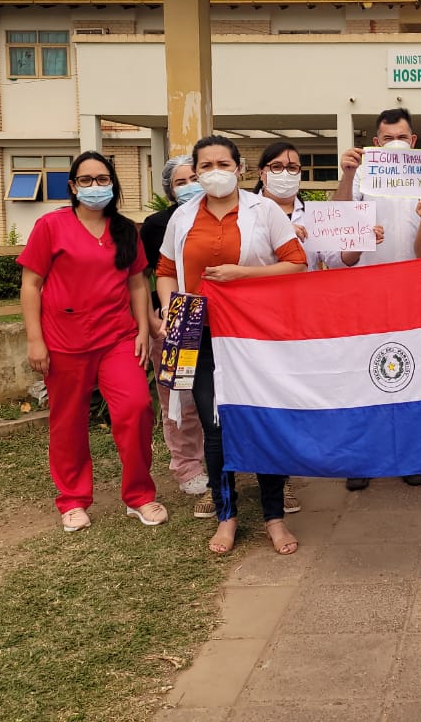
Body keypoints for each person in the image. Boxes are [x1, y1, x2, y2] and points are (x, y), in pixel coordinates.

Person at [156, 135, 308, 555]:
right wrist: (173, 309)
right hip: (199, 334)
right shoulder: (183, 217)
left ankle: (274, 518)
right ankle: (228, 516)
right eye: (205, 166)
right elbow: (166, 269)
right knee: (215, 426)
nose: (214, 172)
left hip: (253, 336)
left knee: (262, 420)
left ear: (240, 169)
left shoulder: (265, 212)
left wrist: (243, 275)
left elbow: (297, 264)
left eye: (223, 164)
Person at [18, 151, 168, 533]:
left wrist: (141, 330)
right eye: (85, 180)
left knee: (135, 409)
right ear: (72, 187)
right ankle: (72, 500)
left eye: (102, 179)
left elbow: (137, 283)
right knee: (67, 422)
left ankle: (139, 496)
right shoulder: (51, 226)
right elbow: (31, 285)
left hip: (116, 338)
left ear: (113, 184)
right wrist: (36, 340)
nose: (94, 187)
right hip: (64, 341)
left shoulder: (125, 230)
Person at [254, 140, 383, 512]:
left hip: (300, 320)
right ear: (261, 172)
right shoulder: (246, 214)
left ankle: (284, 476)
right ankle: (272, 479)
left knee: (292, 397)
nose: (285, 174)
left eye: (293, 168)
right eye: (276, 166)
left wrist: (360, 241)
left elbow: (340, 259)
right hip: (255, 319)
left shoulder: (314, 215)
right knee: (264, 398)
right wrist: (283, 241)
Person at [334, 107, 421, 490]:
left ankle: (409, 455)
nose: (394, 144)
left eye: (401, 137)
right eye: (387, 138)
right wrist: (348, 174)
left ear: (413, 141)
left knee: (408, 370)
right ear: (375, 143)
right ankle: (363, 457)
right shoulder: (360, 178)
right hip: (366, 290)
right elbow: (340, 230)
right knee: (363, 373)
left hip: (411, 291)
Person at [140, 155, 212, 518]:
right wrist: (153, 319)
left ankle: (217, 457)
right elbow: (147, 276)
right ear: (170, 188)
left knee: (213, 393)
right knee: (177, 396)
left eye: (194, 177)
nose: (189, 185)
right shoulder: (157, 225)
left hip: (217, 318)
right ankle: (186, 466)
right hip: (175, 319)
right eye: (180, 181)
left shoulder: (221, 216)